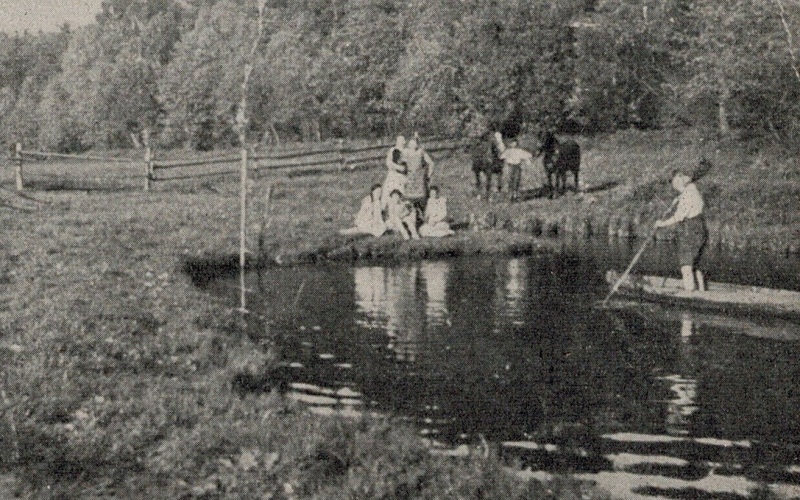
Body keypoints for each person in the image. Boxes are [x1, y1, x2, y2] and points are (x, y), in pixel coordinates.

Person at [655, 170, 708, 292]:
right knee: (696, 263)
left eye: (675, 183)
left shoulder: (686, 197)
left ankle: (690, 294)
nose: (674, 185)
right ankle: (702, 292)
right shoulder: (692, 188)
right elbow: (688, 190)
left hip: (690, 230)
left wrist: (661, 224)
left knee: (686, 265)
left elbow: (678, 217)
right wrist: (678, 198)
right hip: (701, 228)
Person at [403, 135, 435, 216]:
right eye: (411, 144)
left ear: (417, 144)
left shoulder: (421, 152)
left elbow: (431, 163)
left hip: (420, 178)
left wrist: (428, 174)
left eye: (414, 144)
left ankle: (424, 217)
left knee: (422, 199)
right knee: (409, 201)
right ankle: (411, 218)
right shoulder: (405, 152)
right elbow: (400, 163)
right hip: (409, 178)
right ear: (408, 144)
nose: (413, 145)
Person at [496, 135, 534, 202]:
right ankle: (510, 195)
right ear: (510, 144)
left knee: (516, 180)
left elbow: (528, 155)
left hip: (517, 167)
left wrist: (528, 161)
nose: (513, 144)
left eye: (515, 142)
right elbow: (501, 157)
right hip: (510, 167)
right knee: (510, 180)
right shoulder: (508, 151)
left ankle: (515, 195)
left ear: (517, 143)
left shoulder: (519, 151)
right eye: (512, 143)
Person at [382, 136, 408, 209]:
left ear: (404, 142)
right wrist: (396, 167)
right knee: (387, 190)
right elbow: (388, 162)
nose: (400, 142)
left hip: (402, 176)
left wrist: (402, 168)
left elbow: (406, 166)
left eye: (402, 140)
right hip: (392, 174)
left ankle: (399, 209)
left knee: (400, 191)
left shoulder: (406, 151)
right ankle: (384, 208)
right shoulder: (392, 150)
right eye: (398, 140)